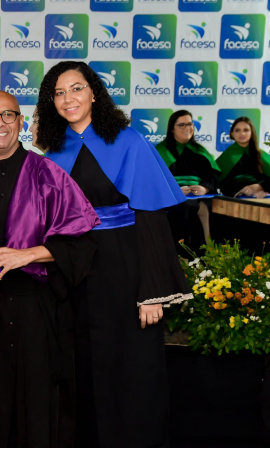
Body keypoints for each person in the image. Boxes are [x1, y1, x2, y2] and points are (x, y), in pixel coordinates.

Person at [37, 61, 192, 447]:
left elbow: (151, 218)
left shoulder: (128, 141)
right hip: (75, 270)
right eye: (58, 93)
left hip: (125, 267)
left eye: (76, 88)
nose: (68, 98)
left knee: (132, 365)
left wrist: (152, 291)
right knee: (83, 364)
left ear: (94, 93)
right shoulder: (52, 152)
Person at [0, 91, 99, 447]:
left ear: (21, 122)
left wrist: (26, 255)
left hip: (38, 308)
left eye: (7, 115)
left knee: (38, 402)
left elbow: (81, 244)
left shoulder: (48, 174)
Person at [155, 110, 220, 255]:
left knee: (212, 207)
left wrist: (205, 188)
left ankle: (209, 256)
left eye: (190, 124)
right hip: (172, 198)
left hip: (199, 196)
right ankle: (180, 256)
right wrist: (174, 190)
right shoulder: (161, 151)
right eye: (181, 125)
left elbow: (213, 176)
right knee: (184, 208)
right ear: (172, 129)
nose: (187, 128)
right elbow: (153, 179)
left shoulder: (200, 151)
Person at [216, 116, 270, 198]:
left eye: (246, 130)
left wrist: (259, 187)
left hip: (262, 198)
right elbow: (221, 182)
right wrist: (245, 191)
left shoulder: (261, 155)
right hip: (235, 199)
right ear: (232, 133)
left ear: (252, 132)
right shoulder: (227, 156)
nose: (242, 134)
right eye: (237, 130)